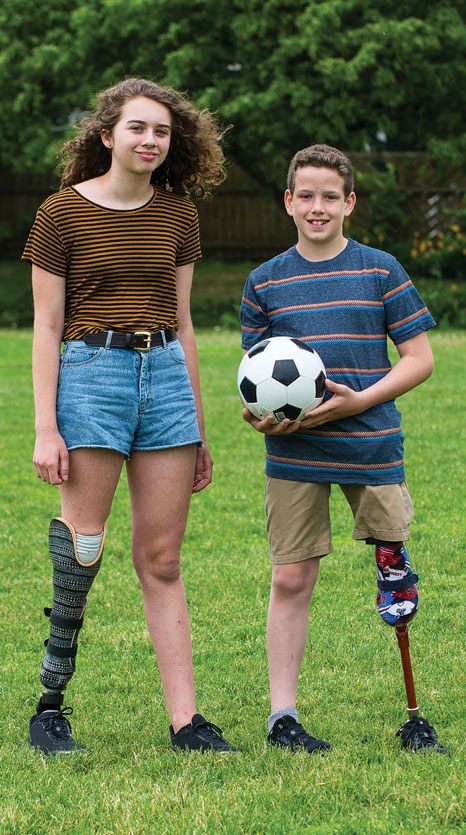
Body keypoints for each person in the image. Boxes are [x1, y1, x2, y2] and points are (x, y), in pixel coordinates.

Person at [23, 77, 236, 755]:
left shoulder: (178, 214)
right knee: (82, 547)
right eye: (138, 127)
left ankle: (187, 722)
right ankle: (50, 707)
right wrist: (45, 426)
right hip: (91, 375)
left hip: (166, 377)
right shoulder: (60, 214)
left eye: (163, 131)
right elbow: (46, 325)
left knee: (162, 557)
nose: (150, 140)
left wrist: (196, 423)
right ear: (106, 133)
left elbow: (184, 319)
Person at [240, 144, 448, 754]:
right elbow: (254, 378)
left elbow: (420, 359)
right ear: (288, 202)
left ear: (349, 202)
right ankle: (284, 717)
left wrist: (360, 401)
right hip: (296, 455)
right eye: (305, 195)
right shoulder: (265, 282)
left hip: (372, 445)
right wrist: (258, 419)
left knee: (394, 575)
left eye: (330, 195)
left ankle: (413, 714)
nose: (317, 206)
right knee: (291, 576)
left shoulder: (381, 270)